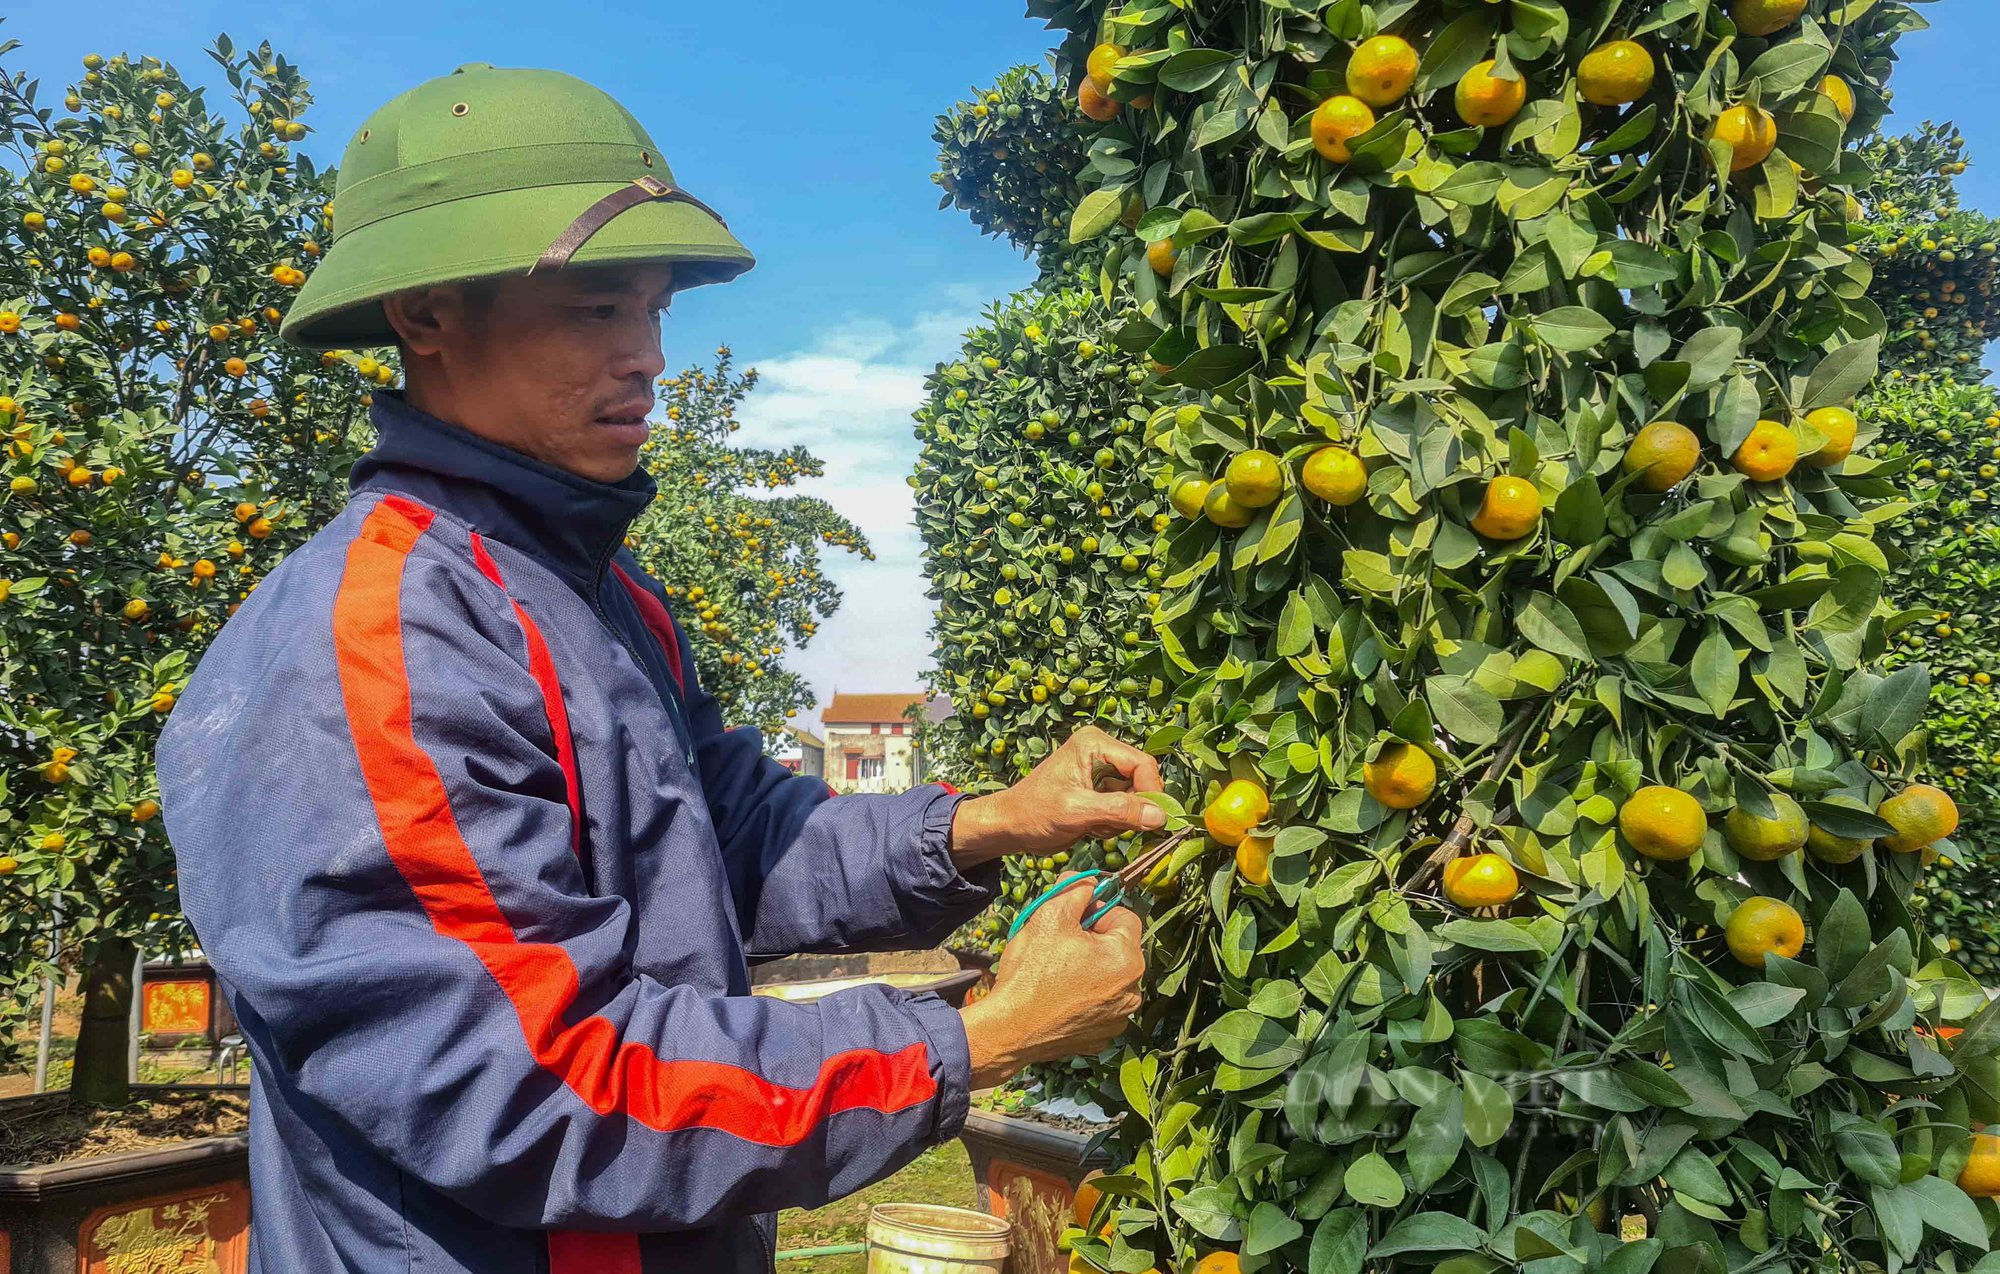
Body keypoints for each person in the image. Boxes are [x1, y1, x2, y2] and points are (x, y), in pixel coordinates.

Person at [155, 62, 1151, 1274]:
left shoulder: (599, 597)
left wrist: (985, 824)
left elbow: (726, 843)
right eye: (595, 310)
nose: (649, 358)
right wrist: (975, 1039)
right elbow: (535, 1083)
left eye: (658, 310)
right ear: (425, 312)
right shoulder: (378, 641)